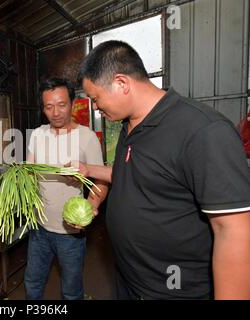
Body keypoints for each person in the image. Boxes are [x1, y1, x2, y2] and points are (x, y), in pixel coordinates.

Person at [73, 40, 250, 300]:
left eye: (96, 98)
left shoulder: (203, 131)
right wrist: (86, 169)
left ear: (122, 83)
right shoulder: (129, 127)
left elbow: (233, 230)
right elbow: (130, 175)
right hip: (129, 280)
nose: (96, 107)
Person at [24, 77, 109, 300]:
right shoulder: (37, 135)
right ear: (43, 108)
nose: (56, 112)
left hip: (70, 233)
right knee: (32, 282)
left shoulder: (87, 137)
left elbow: (101, 181)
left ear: (73, 103)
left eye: (62, 104)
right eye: (49, 107)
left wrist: (93, 204)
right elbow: (29, 174)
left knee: (71, 291)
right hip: (39, 228)